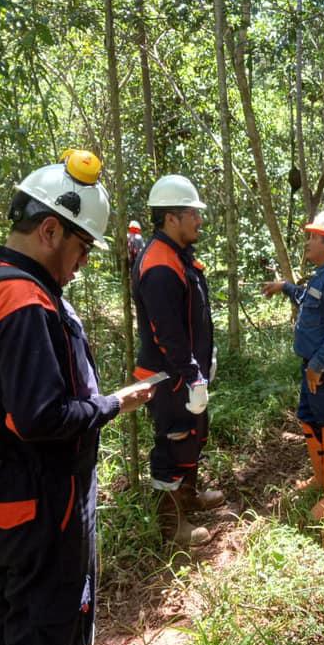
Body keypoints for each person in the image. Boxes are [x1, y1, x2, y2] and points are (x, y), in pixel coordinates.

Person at [0, 150, 155, 645]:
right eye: (82, 247)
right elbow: (40, 418)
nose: (83, 262)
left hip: (8, 507)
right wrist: (112, 403)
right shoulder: (22, 297)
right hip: (44, 514)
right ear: (49, 230)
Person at [131, 174, 224, 546]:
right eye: (192, 213)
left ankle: (189, 497)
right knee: (173, 443)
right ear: (171, 218)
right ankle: (172, 525)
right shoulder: (158, 265)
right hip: (170, 378)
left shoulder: (176, 256)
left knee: (193, 437)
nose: (199, 220)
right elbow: (167, 333)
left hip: (186, 374)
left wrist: (205, 359)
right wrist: (191, 375)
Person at [262, 207, 324, 519]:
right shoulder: (323, 276)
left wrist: (318, 365)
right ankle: (322, 479)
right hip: (313, 366)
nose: (307, 243)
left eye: (313, 238)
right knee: (309, 416)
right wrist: (285, 288)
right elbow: (308, 300)